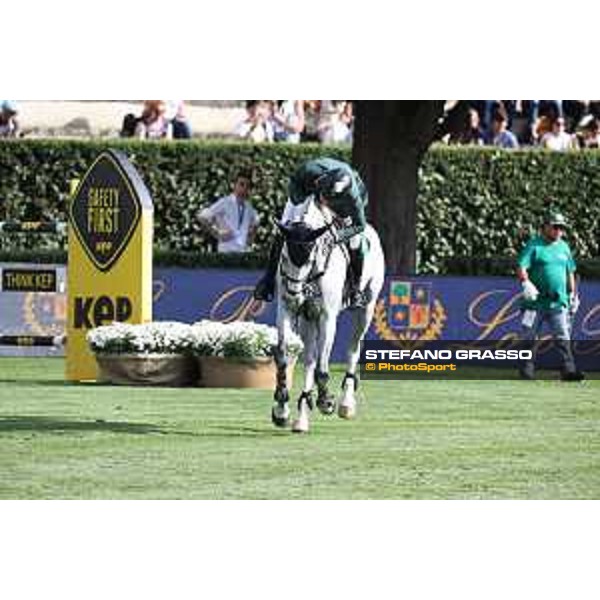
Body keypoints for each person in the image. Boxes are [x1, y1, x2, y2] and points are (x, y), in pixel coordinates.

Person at [253, 157, 369, 306]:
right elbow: (295, 189)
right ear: (319, 183)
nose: (325, 203)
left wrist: (337, 236)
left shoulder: (354, 197)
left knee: (355, 241)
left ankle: (356, 289)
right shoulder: (308, 171)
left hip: (343, 208)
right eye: (325, 197)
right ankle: (268, 282)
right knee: (284, 230)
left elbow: (360, 225)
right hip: (306, 191)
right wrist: (297, 215)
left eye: (329, 199)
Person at [516, 211, 584, 381]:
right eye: (555, 227)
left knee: (562, 336)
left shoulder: (564, 247)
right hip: (534, 302)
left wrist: (572, 295)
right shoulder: (534, 245)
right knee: (529, 337)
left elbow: (570, 272)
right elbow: (521, 266)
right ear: (545, 227)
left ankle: (568, 371)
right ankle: (526, 371)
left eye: (561, 228)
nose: (559, 231)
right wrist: (525, 283)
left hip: (557, 302)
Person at [197, 170, 259, 253]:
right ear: (234, 185)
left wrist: (250, 239)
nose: (244, 188)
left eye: (247, 186)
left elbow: (256, 222)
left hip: (243, 252)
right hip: (226, 251)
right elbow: (202, 216)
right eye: (241, 184)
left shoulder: (249, 207)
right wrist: (216, 233)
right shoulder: (225, 202)